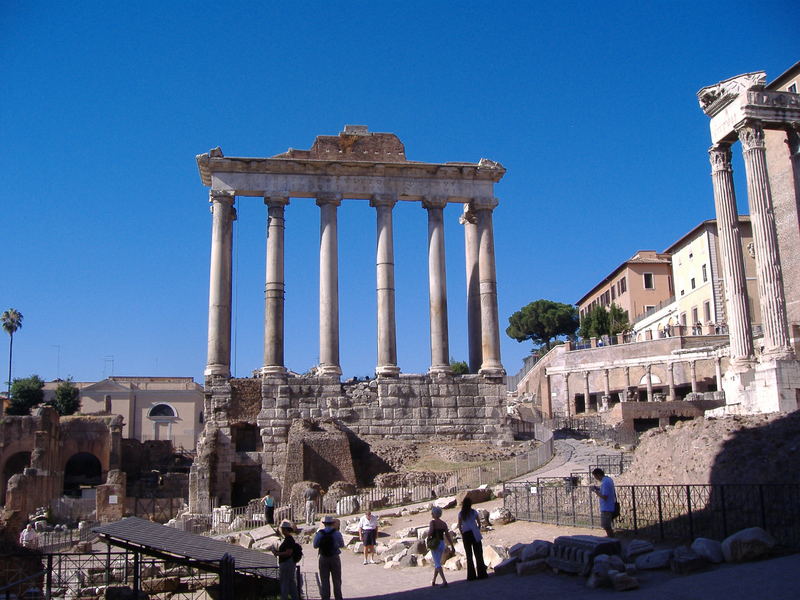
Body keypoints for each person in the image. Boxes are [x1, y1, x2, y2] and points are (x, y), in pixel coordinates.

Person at [313, 515, 345, 600]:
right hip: (334, 557)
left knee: (324, 580)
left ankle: (325, 597)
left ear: (324, 524)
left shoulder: (320, 533)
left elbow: (315, 545)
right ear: (332, 524)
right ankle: (338, 597)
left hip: (323, 557)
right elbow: (342, 545)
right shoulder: (337, 533)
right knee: (337, 580)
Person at [457, 498, 487, 580]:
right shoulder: (474, 512)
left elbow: (459, 526)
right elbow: (478, 523)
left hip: (466, 534)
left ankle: (471, 575)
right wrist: (477, 528)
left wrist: (462, 532)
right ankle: (482, 573)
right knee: (478, 554)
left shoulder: (461, 514)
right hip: (474, 533)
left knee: (469, 555)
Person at [272, 520, 300, 600]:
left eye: (283, 529)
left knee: (284, 582)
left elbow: (288, 552)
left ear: (285, 529)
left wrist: (277, 554)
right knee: (291, 582)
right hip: (289, 563)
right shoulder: (288, 539)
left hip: (286, 563)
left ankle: (284, 597)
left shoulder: (289, 540)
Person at [428, 506, 454, 587]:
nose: (431, 514)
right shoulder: (443, 523)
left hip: (435, 543)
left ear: (434, 514)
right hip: (442, 543)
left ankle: (444, 581)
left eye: (432, 512)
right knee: (437, 562)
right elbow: (447, 535)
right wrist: (452, 545)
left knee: (437, 563)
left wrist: (428, 537)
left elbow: (430, 532)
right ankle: (434, 581)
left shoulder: (432, 522)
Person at [591, 467, 617, 537]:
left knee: (606, 526)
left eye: (595, 476)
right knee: (607, 526)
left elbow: (605, 496)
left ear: (598, 475)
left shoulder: (605, 482)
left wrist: (595, 491)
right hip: (610, 506)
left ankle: (612, 539)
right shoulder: (608, 480)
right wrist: (598, 489)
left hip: (606, 507)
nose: (596, 478)